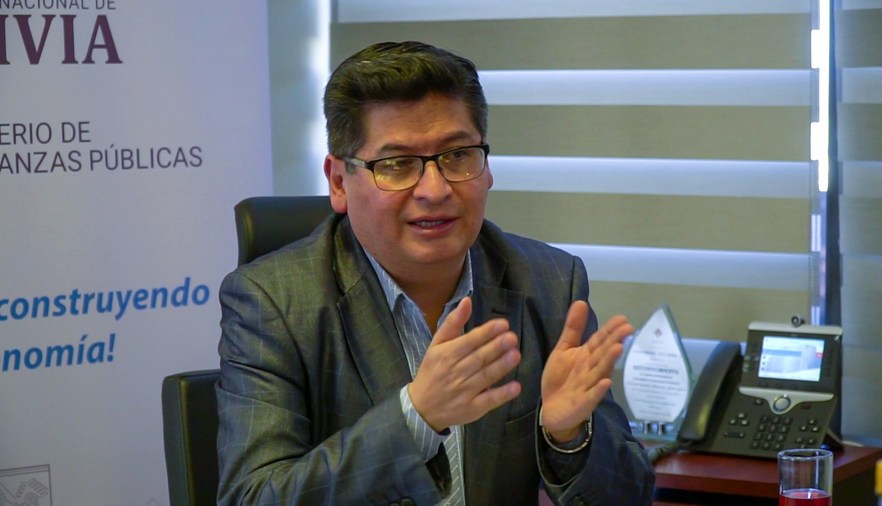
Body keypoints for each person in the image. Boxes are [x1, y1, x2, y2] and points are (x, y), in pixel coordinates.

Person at [216, 40, 655, 505]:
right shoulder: (273, 304)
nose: (435, 189)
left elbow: (630, 497)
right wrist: (416, 417)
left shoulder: (548, 283)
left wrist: (567, 436)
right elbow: (253, 498)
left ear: (487, 168)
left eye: (458, 155)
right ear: (339, 182)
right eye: (397, 164)